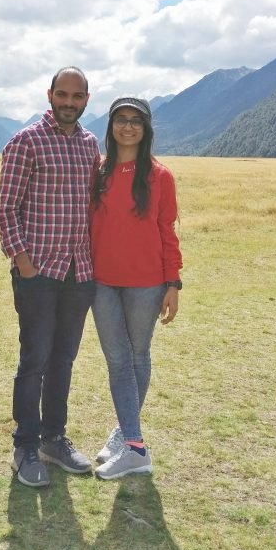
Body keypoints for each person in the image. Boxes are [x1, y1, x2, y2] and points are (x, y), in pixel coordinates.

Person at [0, 66, 101, 488]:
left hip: (80, 272)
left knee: (64, 359)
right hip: (39, 271)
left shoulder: (91, 145)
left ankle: (53, 438)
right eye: (63, 94)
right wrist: (23, 262)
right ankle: (25, 445)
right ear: (50, 94)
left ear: (87, 99)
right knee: (35, 360)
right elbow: (6, 209)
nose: (69, 103)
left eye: (77, 96)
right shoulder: (26, 141)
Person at [89, 97, 183, 480]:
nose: (128, 127)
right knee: (117, 358)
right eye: (121, 120)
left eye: (136, 121)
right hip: (100, 281)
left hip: (146, 282)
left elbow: (167, 231)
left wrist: (173, 282)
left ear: (145, 129)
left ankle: (134, 447)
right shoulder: (97, 170)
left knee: (137, 355)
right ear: (111, 126)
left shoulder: (159, 176)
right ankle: (127, 435)